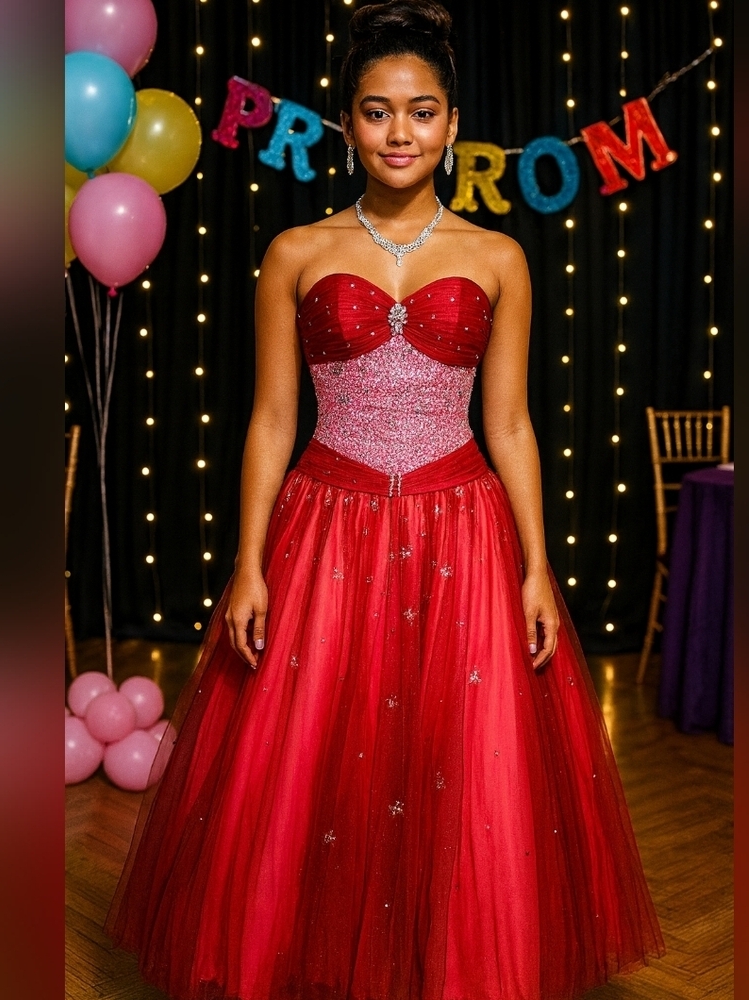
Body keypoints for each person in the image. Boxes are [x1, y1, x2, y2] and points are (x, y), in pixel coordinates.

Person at [106, 2, 665, 998]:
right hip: (326, 527)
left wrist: (537, 567)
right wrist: (247, 563)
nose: (399, 132)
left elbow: (511, 425)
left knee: (465, 764)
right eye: (376, 111)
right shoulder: (295, 251)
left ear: (453, 124)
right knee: (310, 765)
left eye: (421, 111)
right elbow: (271, 419)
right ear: (346, 123)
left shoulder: (498, 256)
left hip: (465, 530)